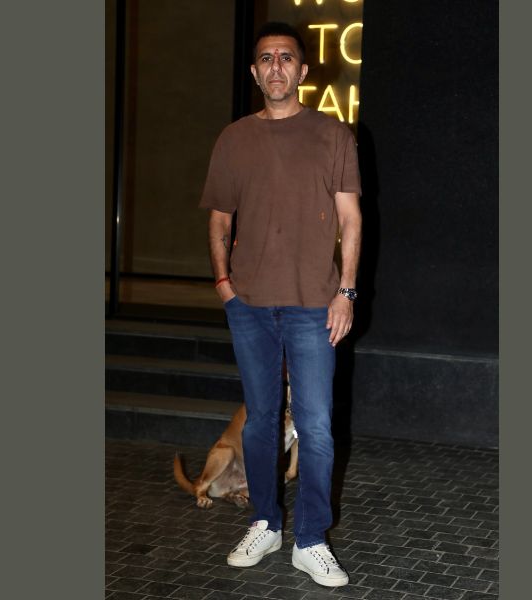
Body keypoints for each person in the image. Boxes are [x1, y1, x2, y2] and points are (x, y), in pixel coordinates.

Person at [198, 21, 362, 588]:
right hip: (249, 303)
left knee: (315, 426)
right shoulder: (234, 139)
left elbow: (351, 219)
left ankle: (311, 540)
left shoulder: (333, 135)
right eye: (266, 58)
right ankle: (265, 523)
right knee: (260, 422)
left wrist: (346, 292)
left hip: (315, 304)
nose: (276, 67)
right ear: (254, 71)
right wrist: (224, 285)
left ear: (303, 70)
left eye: (286, 58)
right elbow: (219, 220)